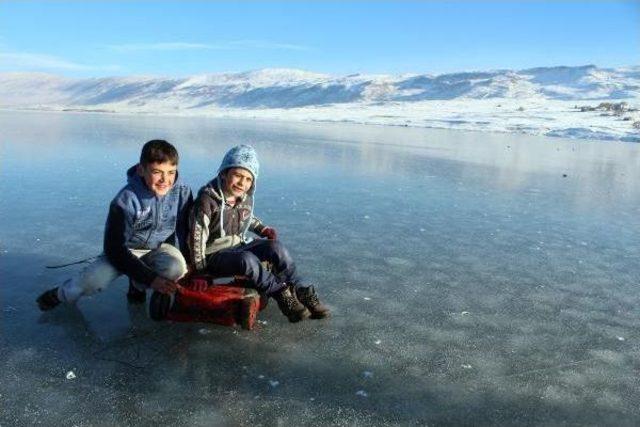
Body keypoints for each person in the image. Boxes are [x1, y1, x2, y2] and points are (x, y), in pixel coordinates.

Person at [36, 139, 193, 310]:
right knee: (94, 280)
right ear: (141, 170)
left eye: (171, 172)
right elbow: (114, 249)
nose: (165, 179)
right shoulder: (125, 200)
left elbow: (184, 229)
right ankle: (61, 293)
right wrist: (150, 278)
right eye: (157, 172)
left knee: (176, 268)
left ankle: (137, 286)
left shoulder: (182, 191)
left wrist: (189, 261)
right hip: (126, 250)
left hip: (158, 247)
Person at [188, 144, 329, 323]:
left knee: (275, 248)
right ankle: (280, 294)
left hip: (237, 246)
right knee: (247, 259)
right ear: (224, 173)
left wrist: (262, 229)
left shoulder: (242, 197)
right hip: (214, 256)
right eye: (238, 175)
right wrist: (201, 272)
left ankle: (300, 289)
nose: (242, 183)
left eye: (248, 179)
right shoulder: (207, 201)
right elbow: (196, 238)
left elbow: (247, 216)